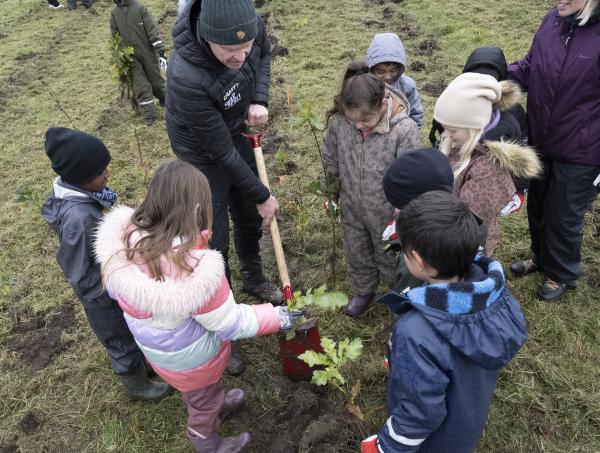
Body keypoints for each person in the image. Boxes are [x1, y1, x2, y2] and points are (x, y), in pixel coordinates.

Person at [94, 160, 301, 453]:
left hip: (164, 355)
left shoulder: (128, 244)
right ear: (195, 211)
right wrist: (276, 316)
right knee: (201, 404)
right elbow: (230, 322)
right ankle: (206, 440)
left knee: (201, 393)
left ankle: (214, 400)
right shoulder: (196, 270)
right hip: (194, 361)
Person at [361, 190, 528, 453]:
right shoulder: (494, 297)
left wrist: (385, 446)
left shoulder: (416, 332)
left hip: (434, 443)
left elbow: (420, 413)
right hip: (467, 420)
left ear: (418, 260)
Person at [167, 0, 281, 373]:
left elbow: (262, 53)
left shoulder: (248, 26)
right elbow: (220, 153)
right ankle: (223, 321)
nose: (240, 55)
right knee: (212, 242)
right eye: (229, 50)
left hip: (237, 133)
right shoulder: (186, 75)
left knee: (248, 218)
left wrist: (258, 98)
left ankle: (254, 277)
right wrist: (262, 194)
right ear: (205, 38)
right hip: (202, 157)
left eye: (243, 46)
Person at [41, 127, 169, 401]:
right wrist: (111, 290)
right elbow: (80, 274)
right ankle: (136, 384)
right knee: (118, 338)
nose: (108, 175)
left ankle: (140, 363)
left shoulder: (80, 197)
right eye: (101, 173)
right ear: (82, 178)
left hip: (107, 281)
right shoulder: (78, 220)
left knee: (129, 329)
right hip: (100, 296)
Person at [508, 0, 600, 301]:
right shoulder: (552, 21)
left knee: (564, 214)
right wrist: (491, 75)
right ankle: (541, 257)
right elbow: (531, 67)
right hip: (541, 137)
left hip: (583, 147)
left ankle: (561, 273)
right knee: (539, 204)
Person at [322, 59, 421, 318]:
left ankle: (398, 293)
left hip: (388, 213)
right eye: (353, 120)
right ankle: (363, 290)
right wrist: (330, 191)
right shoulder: (340, 123)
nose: (359, 125)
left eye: (366, 120)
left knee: (390, 255)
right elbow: (331, 158)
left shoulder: (404, 130)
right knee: (356, 250)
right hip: (352, 206)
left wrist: (403, 214)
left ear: (382, 104)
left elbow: (412, 177)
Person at [433, 72, 540, 256]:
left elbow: (468, 217)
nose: (446, 134)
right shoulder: (456, 142)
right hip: (442, 235)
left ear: (474, 126)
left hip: (466, 244)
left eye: (452, 129)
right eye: (444, 127)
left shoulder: (489, 168)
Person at [428, 47, 529, 215]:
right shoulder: (454, 107)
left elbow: (519, 154)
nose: (447, 133)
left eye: (452, 129)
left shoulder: (509, 122)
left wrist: (520, 189)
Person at [110, 0, 167, 126]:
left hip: (147, 52)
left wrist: (160, 51)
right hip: (130, 57)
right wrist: (119, 56)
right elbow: (115, 36)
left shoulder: (139, 7)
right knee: (141, 86)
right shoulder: (114, 13)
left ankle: (167, 101)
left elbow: (151, 28)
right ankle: (149, 115)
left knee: (156, 82)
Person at [366, 33, 424, 128]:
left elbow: (416, 115)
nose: (388, 76)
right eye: (381, 71)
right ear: (372, 69)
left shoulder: (408, 87)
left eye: (393, 71)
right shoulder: (363, 85)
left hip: (399, 135)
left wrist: (412, 135)